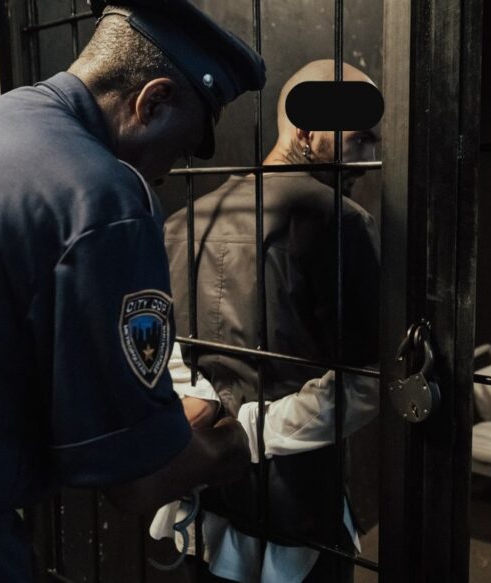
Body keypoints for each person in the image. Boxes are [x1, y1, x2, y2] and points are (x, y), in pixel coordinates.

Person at [0, 2, 265, 581]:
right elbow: (135, 480)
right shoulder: (101, 197)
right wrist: (226, 448)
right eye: (182, 146)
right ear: (153, 102)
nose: (167, 172)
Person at [158, 60, 381, 582]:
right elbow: (367, 380)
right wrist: (255, 430)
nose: (372, 158)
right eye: (361, 139)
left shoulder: (184, 220)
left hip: (201, 486)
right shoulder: (340, 221)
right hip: (296, 502)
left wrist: (215, 414)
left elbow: (162, 353)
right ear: (304, 130)